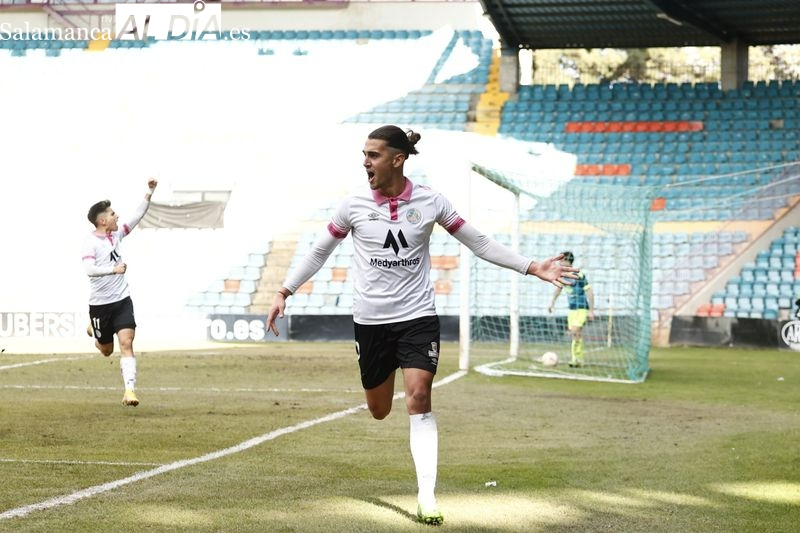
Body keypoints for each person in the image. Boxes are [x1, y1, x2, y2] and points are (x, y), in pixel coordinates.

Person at [266, 125, 578, 526]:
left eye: (373, 155)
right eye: (364, 155)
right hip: (371, 322)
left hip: (417, 317)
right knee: (379, 410)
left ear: (397, 160)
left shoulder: (431, 201)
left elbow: (479, 242)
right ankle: (392, 419)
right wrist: (285, 291)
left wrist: (532, 266)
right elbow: (318, 252)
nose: (365, 162)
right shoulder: (352, 206)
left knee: (418, 395)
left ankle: (426, 497)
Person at [82, 179, 157, 407]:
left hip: (122, 300)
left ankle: (129, 390)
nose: (117, 216)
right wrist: (113, 270)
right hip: (100, 305)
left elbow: (137, 215)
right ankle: (95, 332)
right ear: (103, 221)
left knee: (127, 342)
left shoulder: (116, 236)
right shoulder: (90, 243)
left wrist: (150, 191)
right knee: (106, 350)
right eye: (113, 214)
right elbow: (89, 270)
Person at [547, 251, 594, 367]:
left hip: (582, 308)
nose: (560, 262)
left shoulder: (579, 275)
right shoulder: (562, 276)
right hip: (572, 310)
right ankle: (577, 359)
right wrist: (552, 303)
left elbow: (589, 292)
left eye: (562, 260)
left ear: (568, 261)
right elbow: (558, 289)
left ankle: (576, 359)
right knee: (574, 334)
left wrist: (591, 310)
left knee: (575, 330)